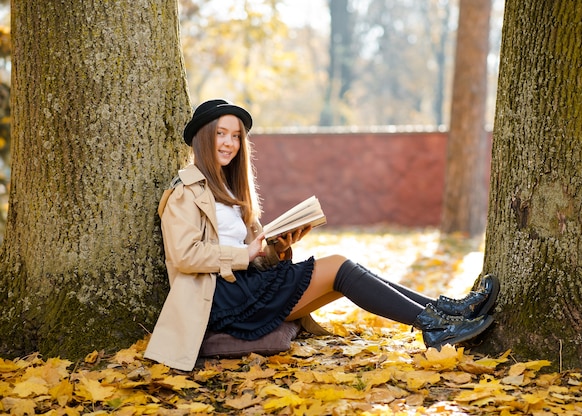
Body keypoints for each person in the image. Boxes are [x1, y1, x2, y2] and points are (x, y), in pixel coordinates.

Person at [144, 99, 499, 371]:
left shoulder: (230, 188)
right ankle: (435, 326)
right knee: (339, 267)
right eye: (221, 133)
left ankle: (446, 312)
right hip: (220, 298)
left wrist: (278, 250)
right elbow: (184, 256)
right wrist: (246, 254)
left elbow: (249, 253)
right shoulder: (185, 192)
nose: (230, 143)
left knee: (346, 270)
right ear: (204, 138)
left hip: (246, 287)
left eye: (236, 136)